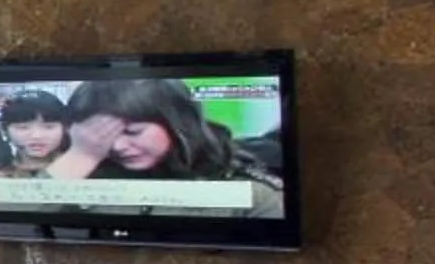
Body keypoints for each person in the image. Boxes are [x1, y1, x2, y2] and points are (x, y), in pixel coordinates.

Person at [47, 78, 286, 217]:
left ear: (177, 124)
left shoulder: (252, 194)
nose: (117, 146)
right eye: (102, 135)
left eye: (133, 132)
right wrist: (77, 159)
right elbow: (27, 222)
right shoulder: (80, 179)